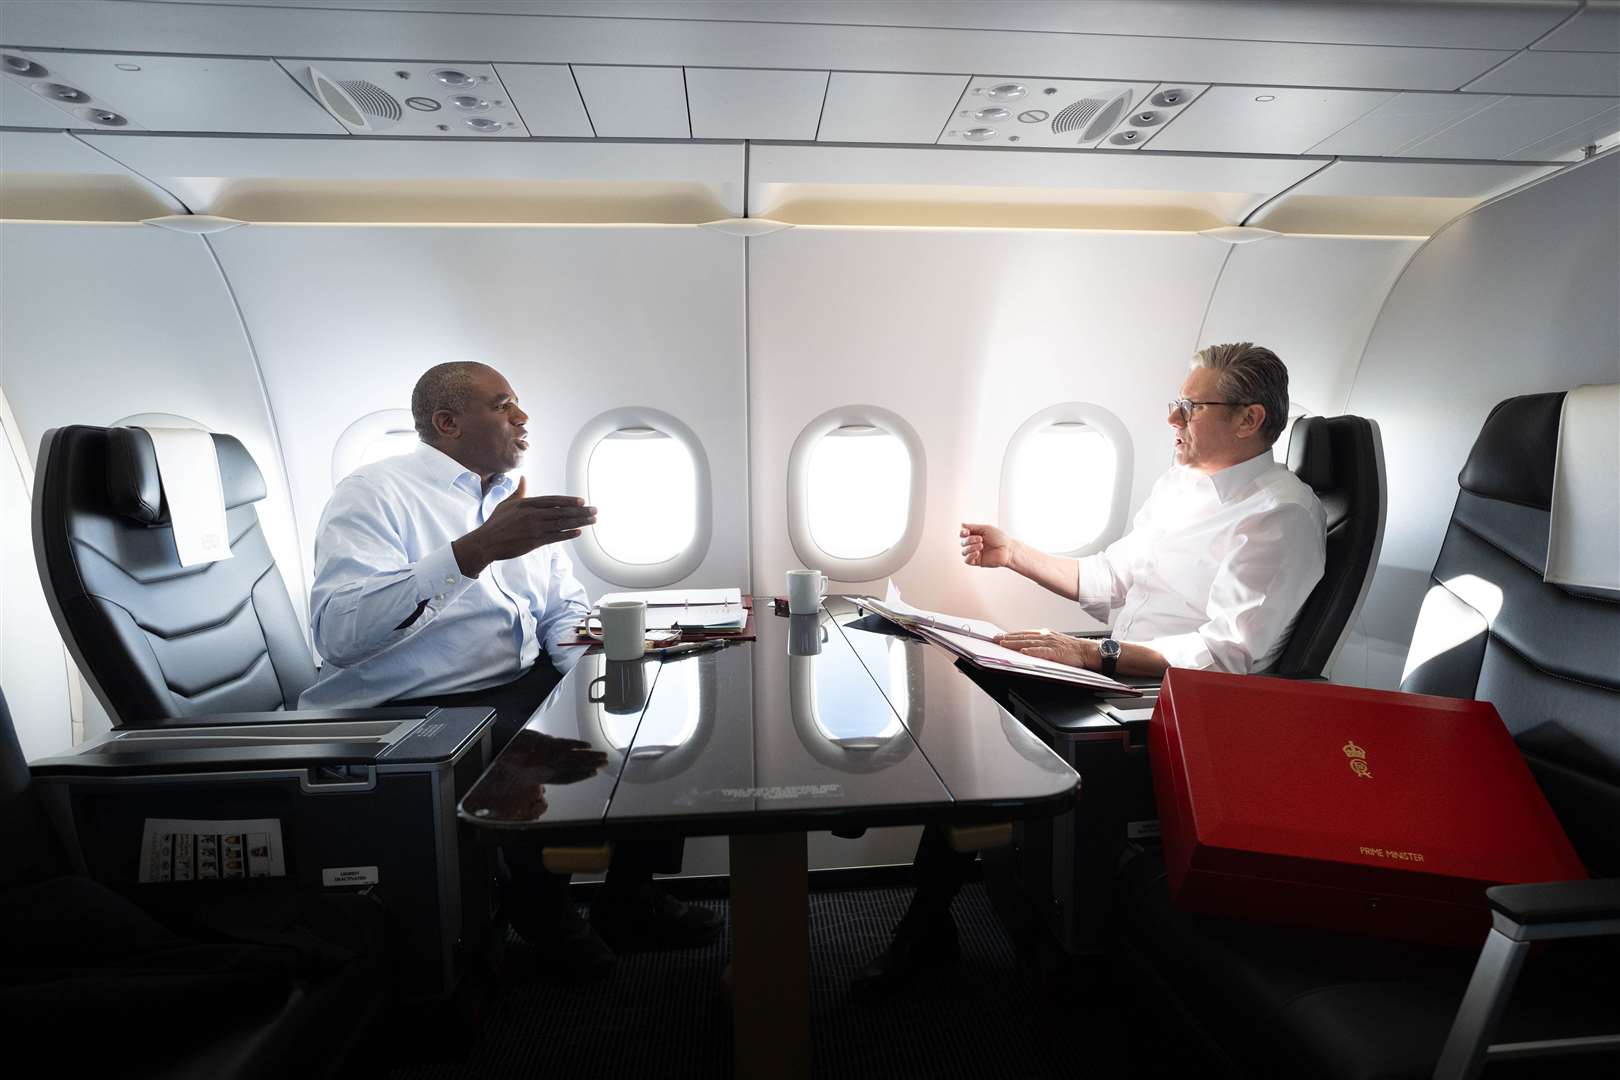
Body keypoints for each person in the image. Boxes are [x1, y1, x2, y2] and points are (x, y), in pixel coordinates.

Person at [855, 341, 1327, 992]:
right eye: (1176, 404)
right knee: (971, 672)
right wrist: (1013, 553)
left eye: (1190, 407)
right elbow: (1108, 580)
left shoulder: (1281, 513)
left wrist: (1092, 652)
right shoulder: (1178, 486)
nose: (1173, 421)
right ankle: (935, 917)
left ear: (1249, 419)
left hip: (1177, 702)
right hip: (1118, 670)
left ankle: (933, 928)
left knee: (994, 709)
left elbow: (1228, 657)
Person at [300, 361, 719, 980]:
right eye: (504, 406)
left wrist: (591, 675)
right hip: (413, 707)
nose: (522, 418)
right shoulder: (373, 494)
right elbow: (340, 634)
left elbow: (557, 606)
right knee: (526, 751)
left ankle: (630, 897)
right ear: (447, 423)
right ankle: (541, 909)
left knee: (645, 718)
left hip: (513, 683)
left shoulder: (509, 497)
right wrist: (476, 551)